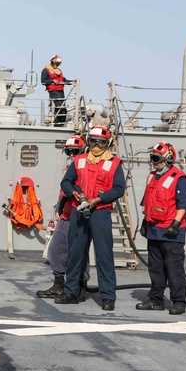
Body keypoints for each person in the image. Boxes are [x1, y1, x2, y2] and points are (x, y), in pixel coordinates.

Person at [55, 125, 125, 311]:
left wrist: (99, 199)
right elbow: (66, 182)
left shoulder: (114, 163)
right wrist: (73, 194)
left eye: (101, 142)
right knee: (75, 253)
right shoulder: (79, 161)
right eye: (93, 141)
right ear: (88, 141)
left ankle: (108, 296)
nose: (96, 145)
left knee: (104, 255)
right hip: (79, 210)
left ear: (107, 143)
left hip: (100, 212)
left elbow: (119, 189)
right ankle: (71, 292)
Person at [137, 142, 186, 315]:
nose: (154, 162)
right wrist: (146, 223)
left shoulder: (178, 178)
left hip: (171, 232)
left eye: (156, 158)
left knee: (174, 269)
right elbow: (149, 202)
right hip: (154, 230)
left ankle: (179, 302)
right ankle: (156, 299)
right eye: (152, 158)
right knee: (155, 268)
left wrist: (175, 224)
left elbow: (183, 205)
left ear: (167, 159)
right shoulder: (152, 176)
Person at [36, 135, 90, 299]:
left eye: (75, 151)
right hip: (65, 214)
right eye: (69, 151)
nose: (72, 155)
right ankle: (59, 284)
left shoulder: (86, 170)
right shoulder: (69, 169)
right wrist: (59, 209)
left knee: (79, 251)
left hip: (78, 215)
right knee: (55, 250)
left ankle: (81, 285)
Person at [41, 55, 74, 128]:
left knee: (63, 109)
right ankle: (56, 124)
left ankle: (60, 124)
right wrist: (52, 80)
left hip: (61, 91)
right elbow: (43, 81)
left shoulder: (59, 71)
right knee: (60, 107)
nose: (58, 65)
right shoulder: (45, 70)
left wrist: (72, 82)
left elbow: (63, 80)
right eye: (57, 63)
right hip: (53, 91)